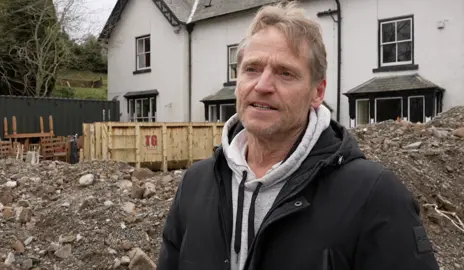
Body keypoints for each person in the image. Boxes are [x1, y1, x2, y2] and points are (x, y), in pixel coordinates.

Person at [156, 1, 440, 270]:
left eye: (285, 73)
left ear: (317, 92)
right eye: (252, 69)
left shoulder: (374, 195)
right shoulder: (195, 184)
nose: (263, 85)